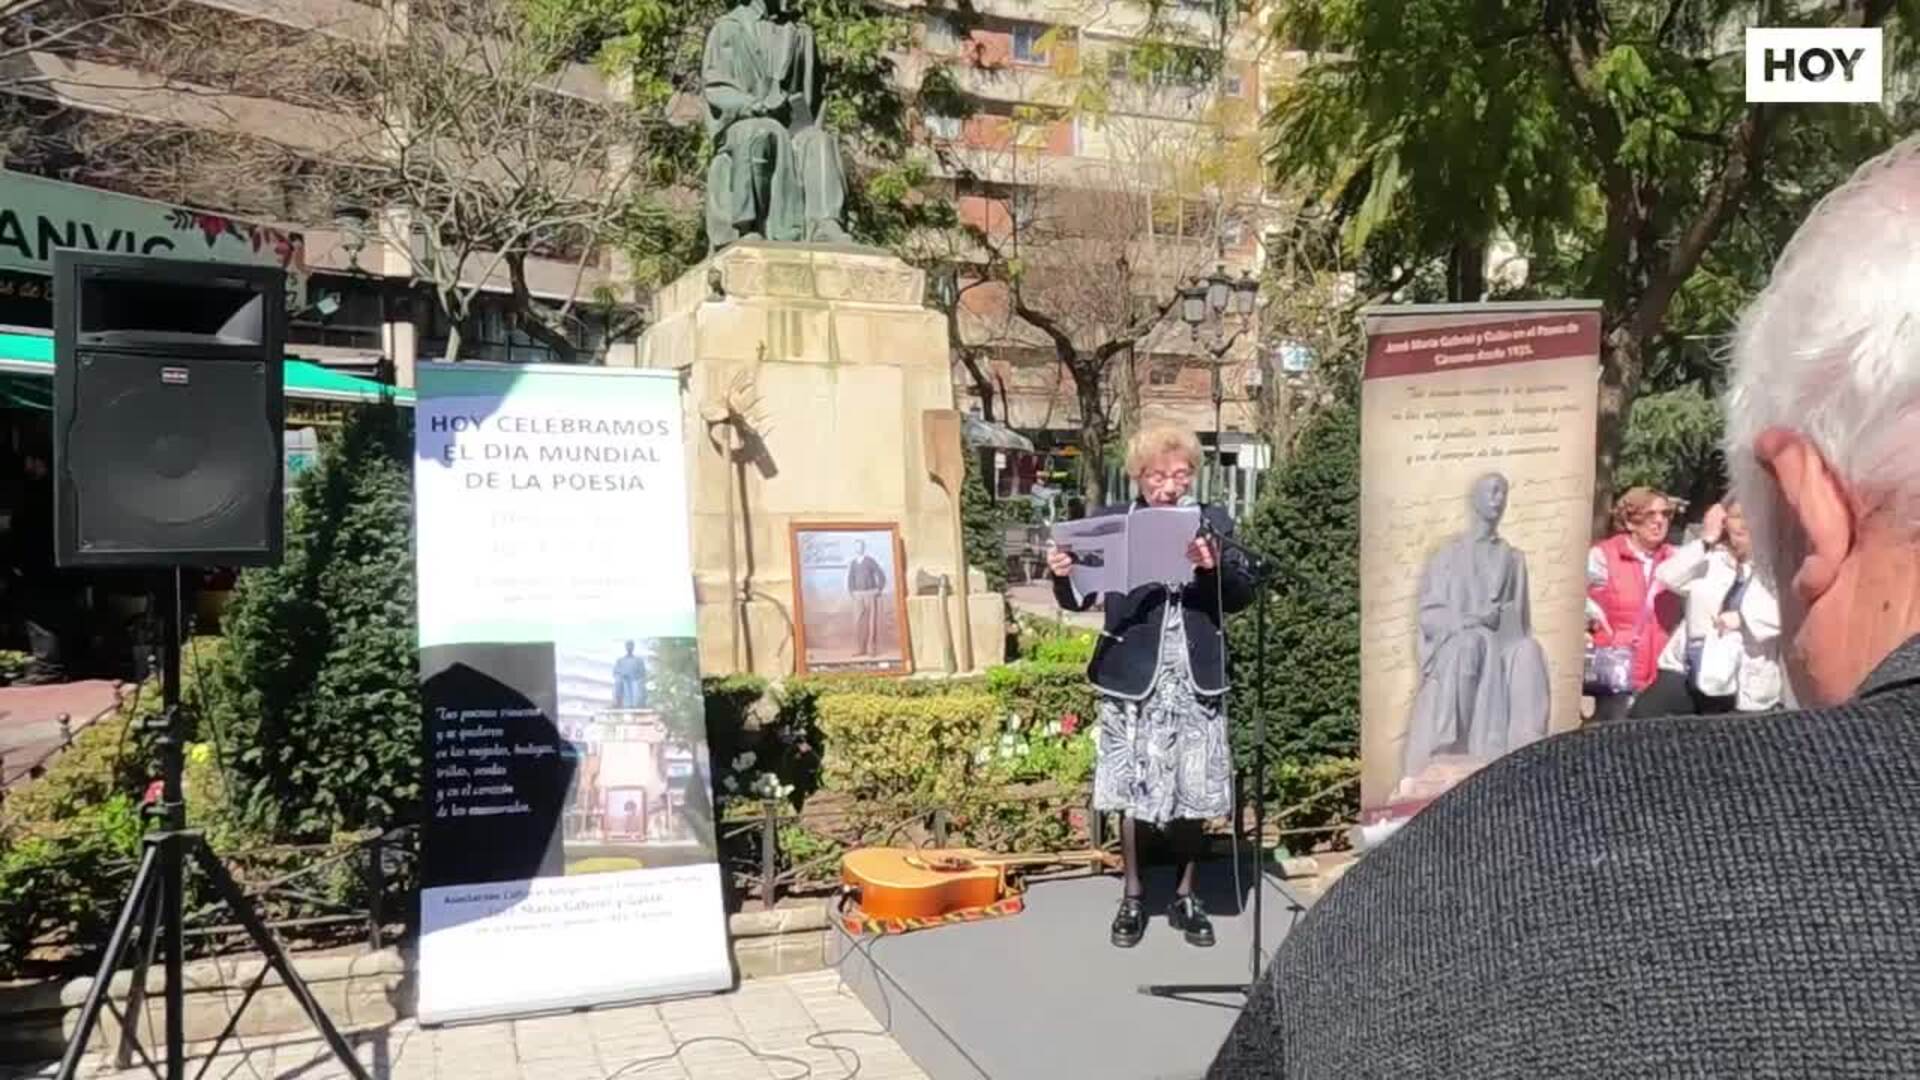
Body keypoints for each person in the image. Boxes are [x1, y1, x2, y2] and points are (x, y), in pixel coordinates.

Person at [1207, 136, 1920, 1078]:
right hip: (1463, 652)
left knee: (1518, 660)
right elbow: (1438, 617)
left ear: (1807, 503)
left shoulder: (1477, 892)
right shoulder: (1465, 579)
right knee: (1466, 661)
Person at [1046, 424, 1254, 949]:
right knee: (1131, 790)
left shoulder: (1214, 522)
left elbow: (1241, 596)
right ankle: (1133, 896)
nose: (1170, 485)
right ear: (1139, 475)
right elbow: (1076, 601)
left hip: (1195, 672)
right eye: (1159, 475)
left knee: (1192, 790)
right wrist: (1060, 574)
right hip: (1134, 674)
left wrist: (1211, 570)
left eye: (1181, 474)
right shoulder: (1112, 522)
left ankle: (1188, 895)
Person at [1400, 473, 1550, 794]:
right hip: (1461, 641)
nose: (1499, 499)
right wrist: (1470, 621)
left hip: (1503, 645)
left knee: (1529, 651)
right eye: (1492, 491)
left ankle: (1526, 757)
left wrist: (1503, 627)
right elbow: (1431, 615)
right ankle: (1449, 749)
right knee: (1471, 644)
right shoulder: (1448, 556)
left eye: (1504, 493)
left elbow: (1520, 620)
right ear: (1475, 499)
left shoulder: (1513, 559)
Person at [701, 0, 849, 247]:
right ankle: (748, 227)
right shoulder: (728, 28)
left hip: (791, 124)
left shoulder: (800, 35)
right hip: (742, 120)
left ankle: (825, 222)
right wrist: (753, 105)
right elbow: (716, 87)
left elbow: (813, 92)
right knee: (762, 131)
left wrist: (804, 119)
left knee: (819, 141)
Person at [1629, 499, 1783, 718]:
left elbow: (1789, 615)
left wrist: (1744, 618)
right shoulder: (1713, 559)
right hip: (1687, 669)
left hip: (1744, 681)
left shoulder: (1776, 568)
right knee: (1643, 715)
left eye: (1746, 520)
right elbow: (1667, 575)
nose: (1739, 526)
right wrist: (1706, 540)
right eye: (1734, 517)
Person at [1584, 487, 1683, 721]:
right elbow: (1577, 601)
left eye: (1665, 514)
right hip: (1618, 671)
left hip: (1661, 673)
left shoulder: (1677, 560)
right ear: (1630, 522)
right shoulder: (1603, 556)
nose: (1659, 521)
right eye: (1650, 515)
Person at [846, 540, 887, 657]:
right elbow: (850, 578)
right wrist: (852, 591)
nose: (858, 548)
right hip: (858, 595)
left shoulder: (870, 561)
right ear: (855, 549)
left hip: (870, 593)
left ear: (863, 547)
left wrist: (879, 589)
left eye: (860, 546)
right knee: (858, 622)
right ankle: (860, 649)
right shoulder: (853, 563)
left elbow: (880, 574)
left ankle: (871, 649)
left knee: (871, 622)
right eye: (856, 547)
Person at [612, 641, 648, 709]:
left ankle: (637, 704)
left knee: (637, 685)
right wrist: (620, 676)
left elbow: (643, 673)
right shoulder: (620, 660)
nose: (629, 647)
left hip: (635, 680)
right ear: (625, 647)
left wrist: (638, 678)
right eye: (628, 646)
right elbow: (615, 672)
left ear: (633, 647)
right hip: (624, 680)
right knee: (618, 682)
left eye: (631, 646)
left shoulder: (638, 660)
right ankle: (618, 703)